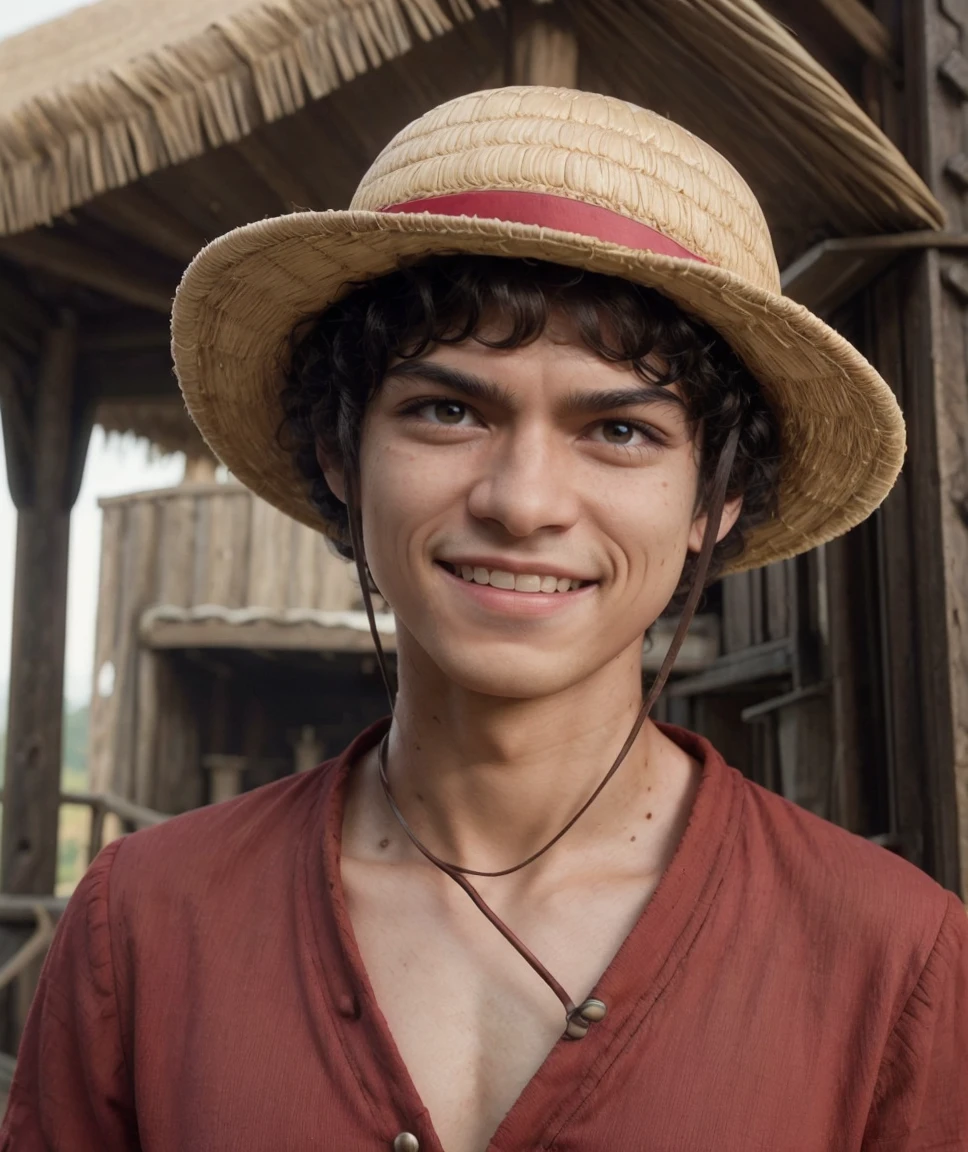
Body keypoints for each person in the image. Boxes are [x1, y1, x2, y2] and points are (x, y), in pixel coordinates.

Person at [3, 86, 966, 1152]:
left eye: (620, 430)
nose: (520, 500)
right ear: (340, 454)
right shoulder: (143, 920)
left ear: (713, 500)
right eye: (446, 410)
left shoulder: (888, 956)